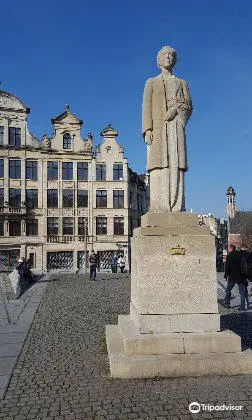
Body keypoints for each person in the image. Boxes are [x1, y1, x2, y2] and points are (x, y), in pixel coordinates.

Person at [142, 45, 192, 212]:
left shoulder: (181, 83)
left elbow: (189, 106)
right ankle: (159, 207)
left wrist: (176, 110)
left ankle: (177, 206)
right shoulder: (151, 82)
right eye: (165, 55)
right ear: (159, 60)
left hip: (176, 127)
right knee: (159, 164)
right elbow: (146, 107)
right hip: (158, 128)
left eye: (171, 55)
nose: (168, 57)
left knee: (176, 163)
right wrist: (147, 129)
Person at [224, 244, 247, 311]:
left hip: (232, 276)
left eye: (228, 248)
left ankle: (227, 304)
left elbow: (227, 266)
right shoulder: (240, 254)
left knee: (228, 290)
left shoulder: (230, 255)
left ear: (231, 249)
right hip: (240, 276)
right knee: (241, 292)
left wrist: (226, 275)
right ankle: (243, 306)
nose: (228, 249)